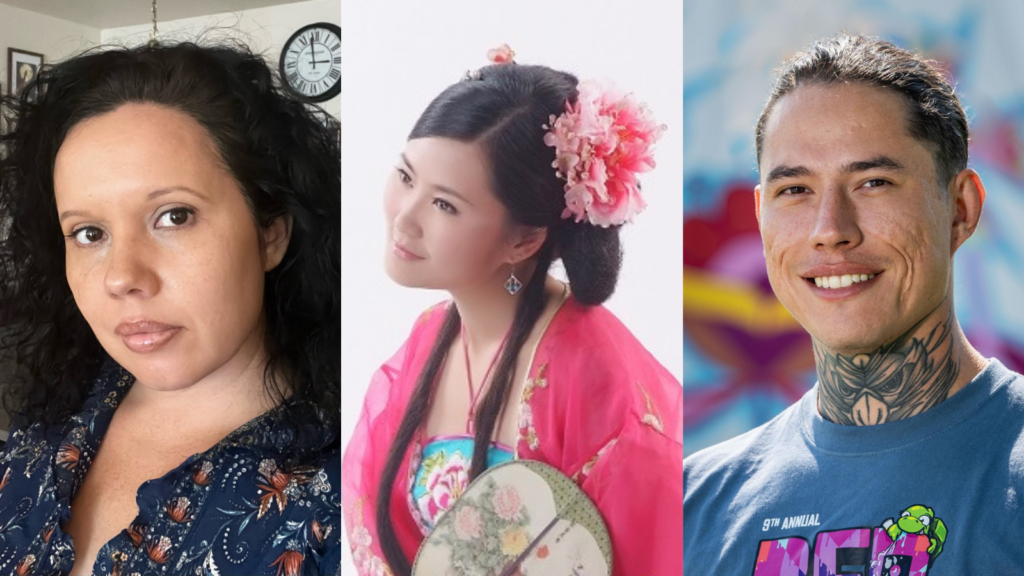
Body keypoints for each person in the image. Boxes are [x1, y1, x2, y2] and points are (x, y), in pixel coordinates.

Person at [683, 33, 1024, 573]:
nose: (830, 230)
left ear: (960, 209)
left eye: (873, 182)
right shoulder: (694, 508)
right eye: (794, 190)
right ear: (761, 217)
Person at [0, 41, 340, 576]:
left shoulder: (348, 495)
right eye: (89, 233)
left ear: (270, 232)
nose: (122, 278)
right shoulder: (43, 431)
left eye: (174, 216)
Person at [341, 53, 683, 576]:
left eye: (444, 205)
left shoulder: (596, 379)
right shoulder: (430, 336)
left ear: (524, 238)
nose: (404, 219)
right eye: (406, 177)